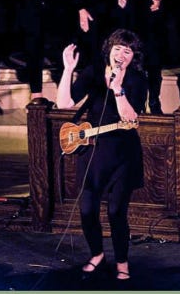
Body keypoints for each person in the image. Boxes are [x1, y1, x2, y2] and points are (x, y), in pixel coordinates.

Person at [55, 29, 147, 283]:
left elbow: (131, 117)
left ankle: (122, 261)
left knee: (116, 212)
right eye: (118, 48)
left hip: (123, 153)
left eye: (127, 51)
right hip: (93, 151)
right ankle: (97, 254)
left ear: (133, 56)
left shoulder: (137, 79)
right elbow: (64, 103)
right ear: (109, 50)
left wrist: (118, 89)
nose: (121, 54)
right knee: (87, 210)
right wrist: (68, 70)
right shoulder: (94, 72)